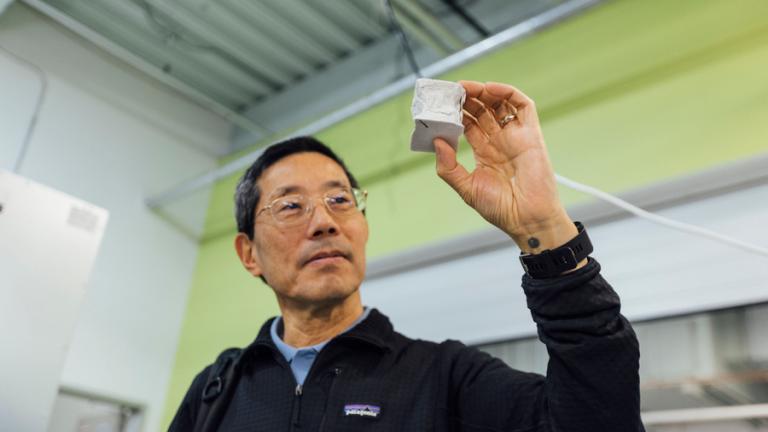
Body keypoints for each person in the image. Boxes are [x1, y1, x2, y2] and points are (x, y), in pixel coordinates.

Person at [169, 81, 644, 431]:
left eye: (340, 200)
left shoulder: (444, 378)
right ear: (248, 254)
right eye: (291, 206)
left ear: (361, 225)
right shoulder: (216, 390)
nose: (325, 221)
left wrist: (543, 228)